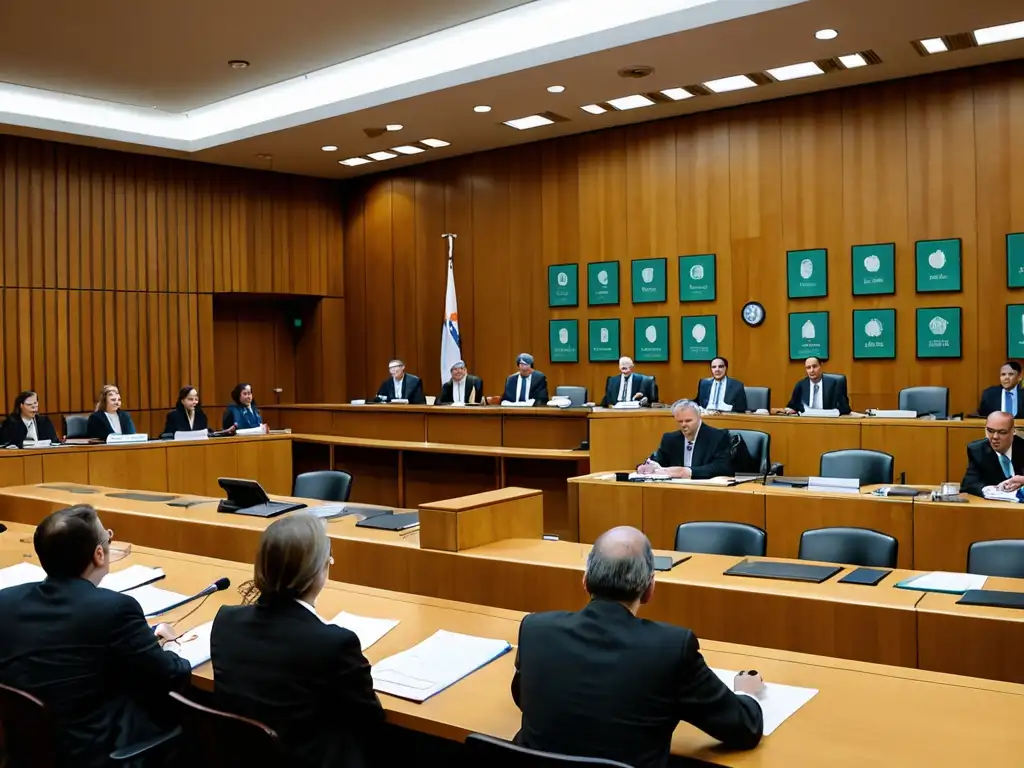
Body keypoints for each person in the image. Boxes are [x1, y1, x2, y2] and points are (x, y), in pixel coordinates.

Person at [511, 526, 763, 768]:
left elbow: (523, 697)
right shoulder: (671, 649)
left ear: (585, 581)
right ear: (649, 589)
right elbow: (744, 729)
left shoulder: (535, 629)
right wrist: (748, 693)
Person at [0, 505, 191, 768]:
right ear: (99, 554)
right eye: (108, 538)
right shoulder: (115, 609)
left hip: (28, 751)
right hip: (92, 752)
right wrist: (170, 646)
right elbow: (171, 674)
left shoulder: (5, 602)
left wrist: (138, 639)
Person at [211, 513, 384, 768]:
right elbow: (371, 720)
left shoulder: (226, 621)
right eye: (328, 559)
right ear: (316, 572)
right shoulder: (334, 644)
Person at [637, 399, 734, 479]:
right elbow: (657, 460)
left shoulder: (718, 436)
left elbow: (723, 467)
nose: (683, 425)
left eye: (688, 421)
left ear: (699, 417)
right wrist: (647, 466)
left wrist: (687, 472)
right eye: (680, 421)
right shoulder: (670, 439)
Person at [962, 411, 1024, 497]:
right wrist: (995, 490)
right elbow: (969, 484)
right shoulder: (978, 450)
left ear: (1013, 431)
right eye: (990, 431)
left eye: (1002, 432)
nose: (995, 437)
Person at [784, 357, 851, 415]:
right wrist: (790, 410)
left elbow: (845, 408)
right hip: (807, 422)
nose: (811, 370)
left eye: (814, 366)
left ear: (820, 366)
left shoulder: (835, 384)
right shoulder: (801, 385)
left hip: (829, 422)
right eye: (808, 368)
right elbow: (791, 406)